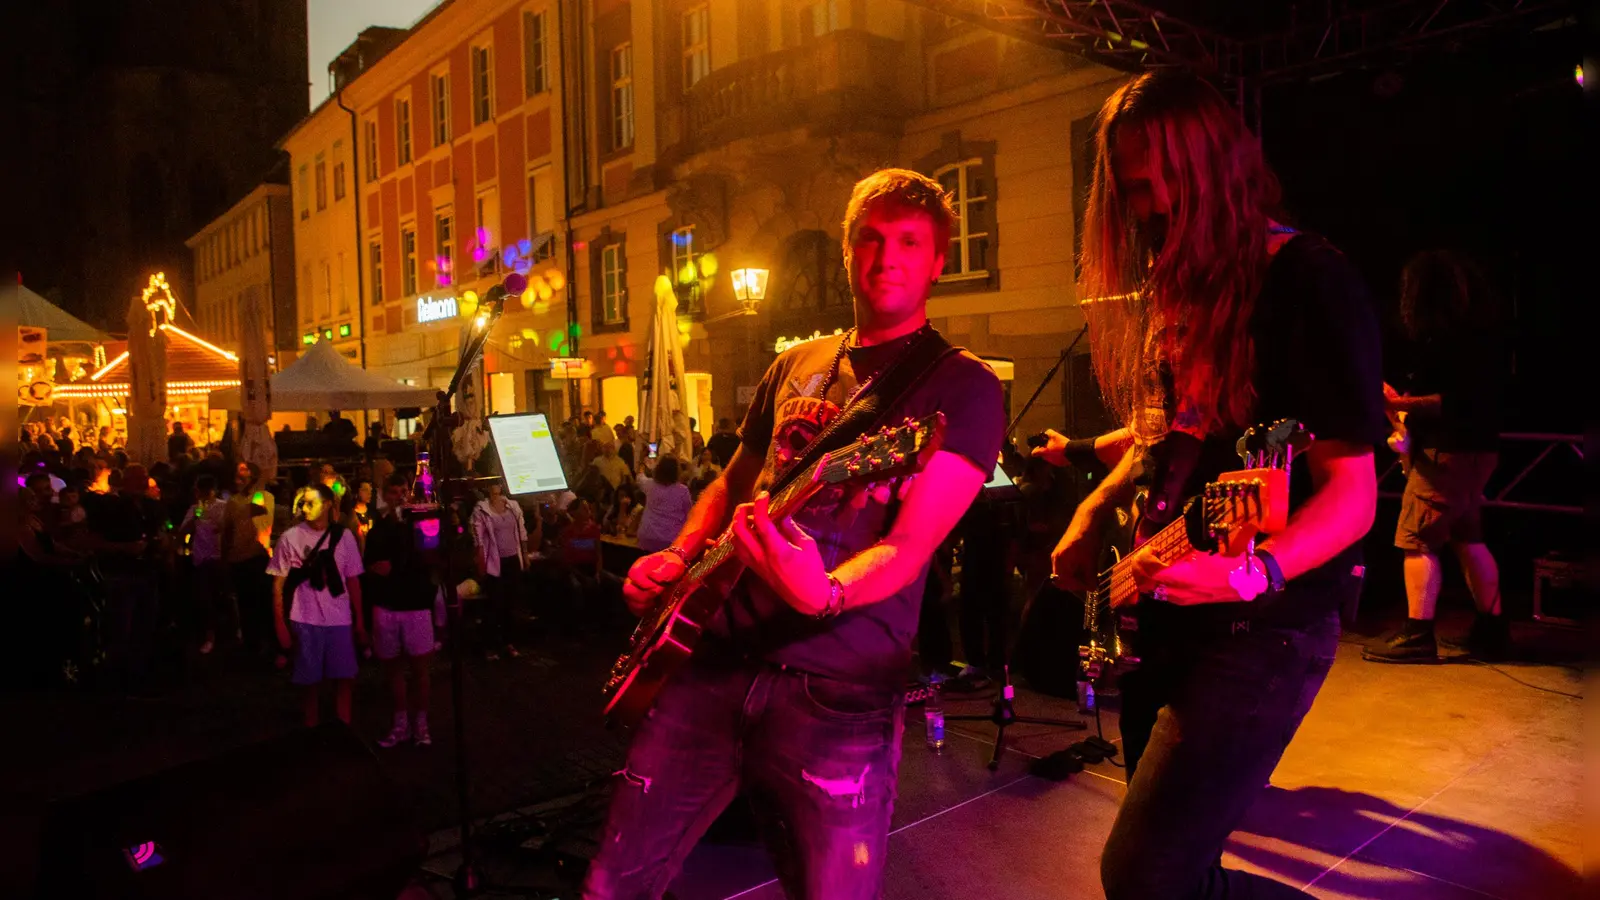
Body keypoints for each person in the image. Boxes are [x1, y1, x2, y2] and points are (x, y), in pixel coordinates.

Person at [582, 168, 1005, 899]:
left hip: (837, 692)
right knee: (612, 886)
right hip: (713, 661)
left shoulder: (961, 387)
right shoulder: (793, 364)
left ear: (939, 259)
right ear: (845, 251)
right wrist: (679, 559)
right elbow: (734, 482)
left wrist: (830, 591)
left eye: (909, 241)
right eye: (869, 240)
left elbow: (911, 546)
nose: (886, 257)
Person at [1050, 71, 1385, 900]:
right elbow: (1173, 438)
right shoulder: (1176, 286)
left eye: (1174, 178)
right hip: (1169, 615)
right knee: (1184, 868)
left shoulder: (1308, 279)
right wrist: (1095, 509)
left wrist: (1252, 569)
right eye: (1135, 188)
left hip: (1266, 631)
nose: (1157, 203)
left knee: (1141, 871)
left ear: (1223, 166)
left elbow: (1353, 493)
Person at [1363, 250, 1508, 662]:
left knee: (1416, 539)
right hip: (1477, 451)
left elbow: (1453, 402)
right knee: (1468, 538)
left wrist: (1397, 404)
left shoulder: (1450, 340)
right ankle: (1492, 630)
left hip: (1447, 453)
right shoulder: (1481, 333)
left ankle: (1417, 634)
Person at [269, 482, 366, 727]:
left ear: (327, 505)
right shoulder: (289, 538)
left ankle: (342, 726)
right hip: (304, 619)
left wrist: (360, 620)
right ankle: (311, 730)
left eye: (310, 502)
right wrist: (280, 624)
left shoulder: (344, 537)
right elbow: (278, 585)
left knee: (344, 678)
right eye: (302, 503)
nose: (305, 508)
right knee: (309, 683)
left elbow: (353, 580)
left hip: (339, 619)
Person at [366, 474, 438, 747]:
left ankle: (420, 723)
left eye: (402, 491)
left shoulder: (420, 524)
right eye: (392, 492)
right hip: (388, 607)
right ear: (385, 495)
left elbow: (429, 557)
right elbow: (374, 567)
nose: (398, 496)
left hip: (416, 605)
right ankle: (401, 722)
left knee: (420, 668)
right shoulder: (378, 530)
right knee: (393, 669)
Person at [222, 462, 277, 666]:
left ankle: (268, 645)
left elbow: (260, 514)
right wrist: (225, 557)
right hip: (238, 559)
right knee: (245, 605)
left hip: (257, 557)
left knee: (262, 603)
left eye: (243, 474)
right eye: (237, 475)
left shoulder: (264, 497)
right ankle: (251, 646)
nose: (238, 479)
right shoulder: (233, 502)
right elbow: (228, 531)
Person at [471, 480, 532, 660]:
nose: (494, 488)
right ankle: (490, 645)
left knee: (510, 603)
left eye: (497, 484)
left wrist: (526, 555)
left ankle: (509, 642)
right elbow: (478, 539)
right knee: (494, 604)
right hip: (494, 562)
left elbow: (522, 532)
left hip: (513, 559)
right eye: (491, 485)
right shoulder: (481, 509)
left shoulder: (513, 506)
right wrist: (481, 562)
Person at [178, 475, 231, 654]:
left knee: (223, 598)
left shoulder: (223, 507)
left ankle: (230, 633)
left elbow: (227, 529)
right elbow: (182, 532)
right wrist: (195, 518)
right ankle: (210, 637)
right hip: (201, 560)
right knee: (205, 599)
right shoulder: (194, 509)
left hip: (220, 558)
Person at [633, 456, 692, 554]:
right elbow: (689, 514)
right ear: (676, 471)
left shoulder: (650, 485)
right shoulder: (683, 491)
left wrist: (642, 466)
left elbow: (639, 477)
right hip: (670, 540)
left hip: (647, 537)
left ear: (658, 469)